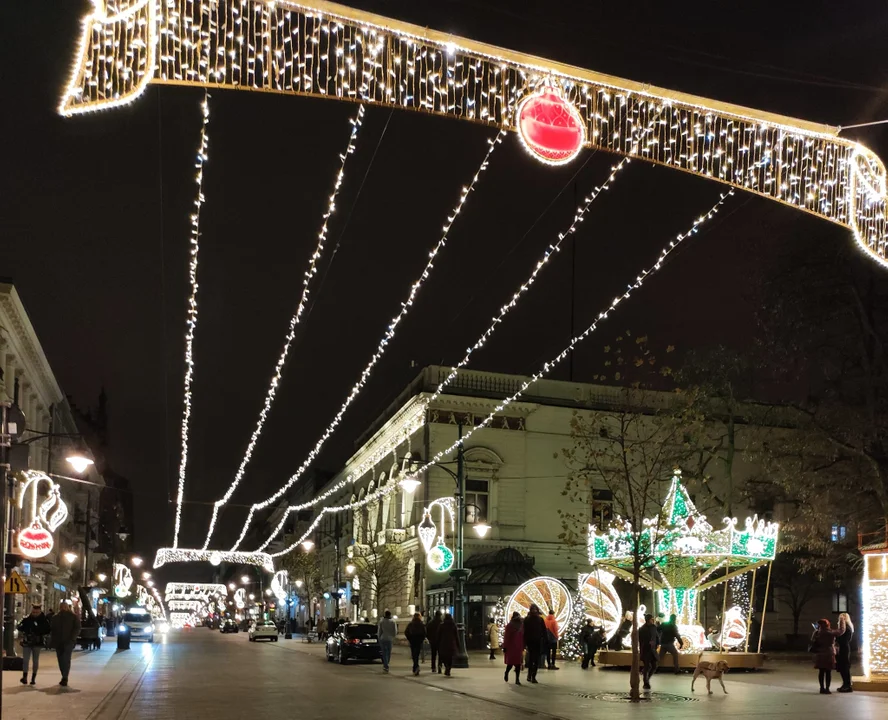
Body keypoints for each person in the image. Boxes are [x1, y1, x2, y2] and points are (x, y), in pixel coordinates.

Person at [18, 604, 51, 685]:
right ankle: (25, 677)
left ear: (40, 611)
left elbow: (48, 630)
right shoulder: (27, 619)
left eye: (37, 612)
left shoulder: (44, 620)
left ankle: (33, 678)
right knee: (25, 660)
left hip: (37, 642)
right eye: (33, 612)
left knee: (35, 660)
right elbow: (20, 627)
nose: (35, 613)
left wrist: (38, 631)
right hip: (27, 642)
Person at [51, 601, 81, 687]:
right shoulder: (55, 617)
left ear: (67, 607)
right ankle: (63, 675)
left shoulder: (73, 617)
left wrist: (72, 638)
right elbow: (52, 629)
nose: (63, 608)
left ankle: (65, 677)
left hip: (68, 642)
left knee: (66, 659)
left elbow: (77, 627)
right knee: (60, 660)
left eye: (65, 607)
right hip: (58, 642)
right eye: (62, 607)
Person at [811, 618, 841, 694]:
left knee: (821, 671)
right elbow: (840, 631)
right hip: (829, 653)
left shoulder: (817, 632)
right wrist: (843, 622)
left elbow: (812, 640)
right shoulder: (830, 632)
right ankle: (827, 688)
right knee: (828, 672)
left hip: (820, 653)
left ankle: (821, 688)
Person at [522, 604, 545, 684]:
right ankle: (531, 676)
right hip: (532, 641)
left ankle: (532, 675)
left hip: (535, 641)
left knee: (534, 659)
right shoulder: (529, 620)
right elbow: (524, 632)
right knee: (533, 659)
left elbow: (544, 631)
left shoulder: (538, 620)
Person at [503, 611, 524, 685]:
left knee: (517, 664)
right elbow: (507, 637)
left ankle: (517, 679)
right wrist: (505, 646)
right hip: (513, 646)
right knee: (511, 663)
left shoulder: (520, 625)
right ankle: (507, 673)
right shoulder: (511, 626)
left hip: (516, 646)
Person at [638, 614, 659, 689]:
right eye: (651, 619)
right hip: (646, 650)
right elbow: (640, 641)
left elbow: (656, 636)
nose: (652, 620)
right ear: (648, 620)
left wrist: (656, 644)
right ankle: (646, 683)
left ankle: (647, 679)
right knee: (647, 666)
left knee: (654, 666)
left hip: (653, 650)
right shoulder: (642, 629)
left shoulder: (653, 627)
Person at [836, 612, 854, 692]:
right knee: (843, 667)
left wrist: (836, 638)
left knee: (844, 667)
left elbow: (843, 640)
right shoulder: (846, 628)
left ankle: (847, 685)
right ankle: (845, 684)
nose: (840, 619)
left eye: (842, 618)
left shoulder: (846, 628)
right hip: (844, 648)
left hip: (844, 648)